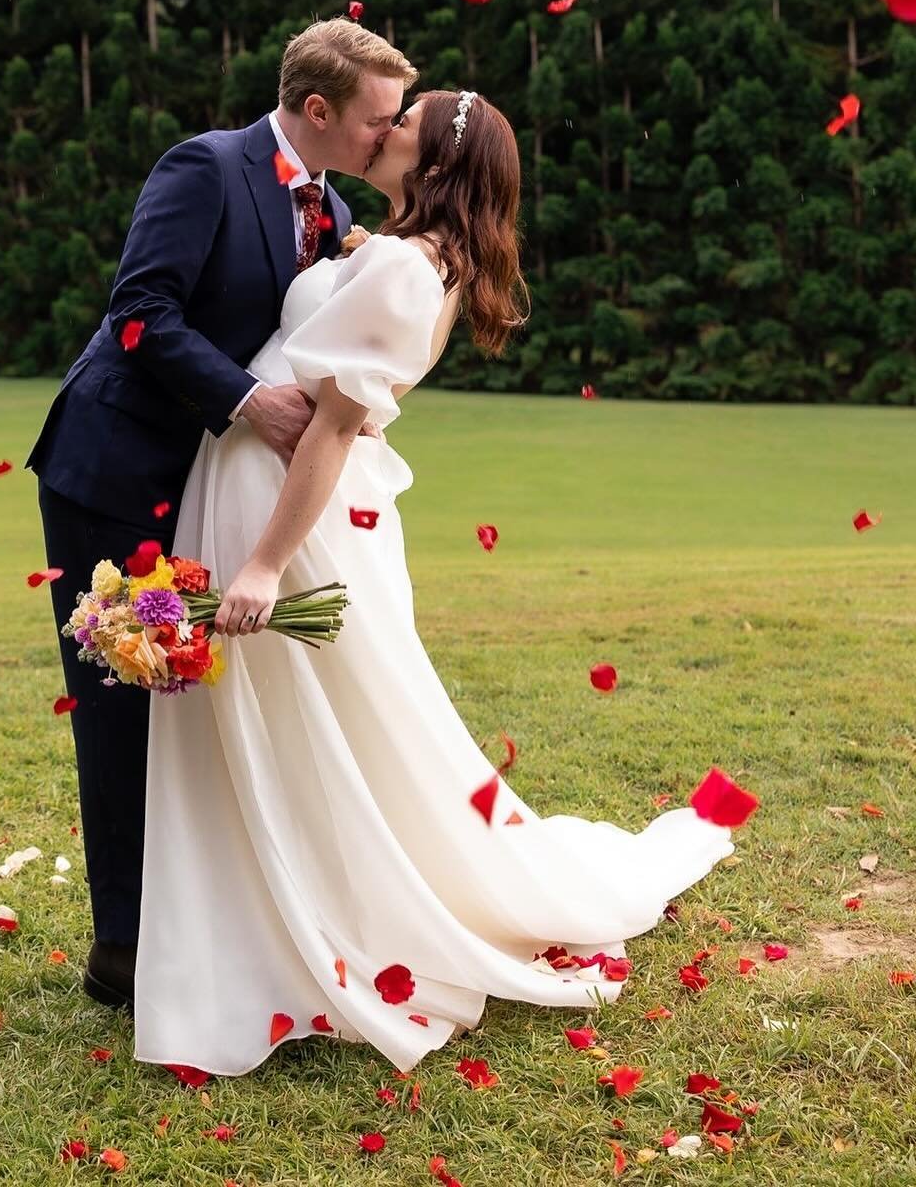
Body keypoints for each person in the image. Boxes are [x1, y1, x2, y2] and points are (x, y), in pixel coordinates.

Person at [132, 88, 740, 1076]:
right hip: (268, 485)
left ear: (436, 157)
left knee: (317, 727)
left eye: (402, 120)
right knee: (301, 728)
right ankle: (255, 929)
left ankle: (306, 937)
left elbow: (330, 427)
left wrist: (265, 565)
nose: (384, 128)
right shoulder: (401, 257)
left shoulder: (412, 274)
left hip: (295, 513)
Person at [25, 18, 418, 1011]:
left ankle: (212, 918)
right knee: (124, 704)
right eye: (377, 120)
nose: (388, 136)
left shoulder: (329, 210)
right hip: (113, 474)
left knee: (203, 712)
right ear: (319, 110)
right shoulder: (204, 168)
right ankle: (124, 947)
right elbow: (141, 310)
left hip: (210, 486)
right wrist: (250, 404)